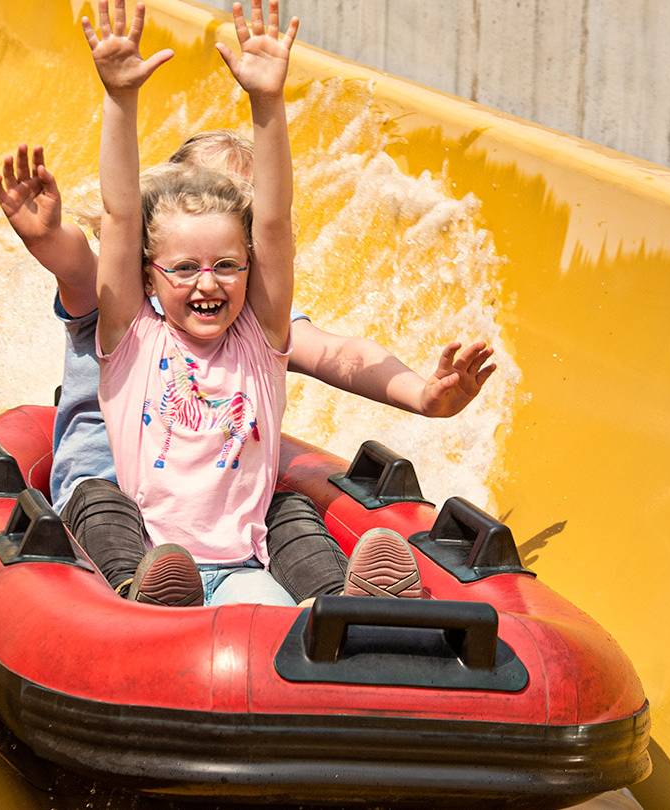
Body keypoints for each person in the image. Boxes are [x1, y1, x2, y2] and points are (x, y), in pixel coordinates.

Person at [70, 0, 447, 607]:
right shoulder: (133, 336)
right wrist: (120, 97)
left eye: (226, 266)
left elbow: (273, 223)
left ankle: (345, 606)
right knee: (96, 499)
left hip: (243, 566)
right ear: (148, 275)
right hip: (157, 561)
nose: (208, 284)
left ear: (248, 264)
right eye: (185, 268)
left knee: (290, 512)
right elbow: (120, 216)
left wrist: (267, 102)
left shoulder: (260, 338)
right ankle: (136, 596)